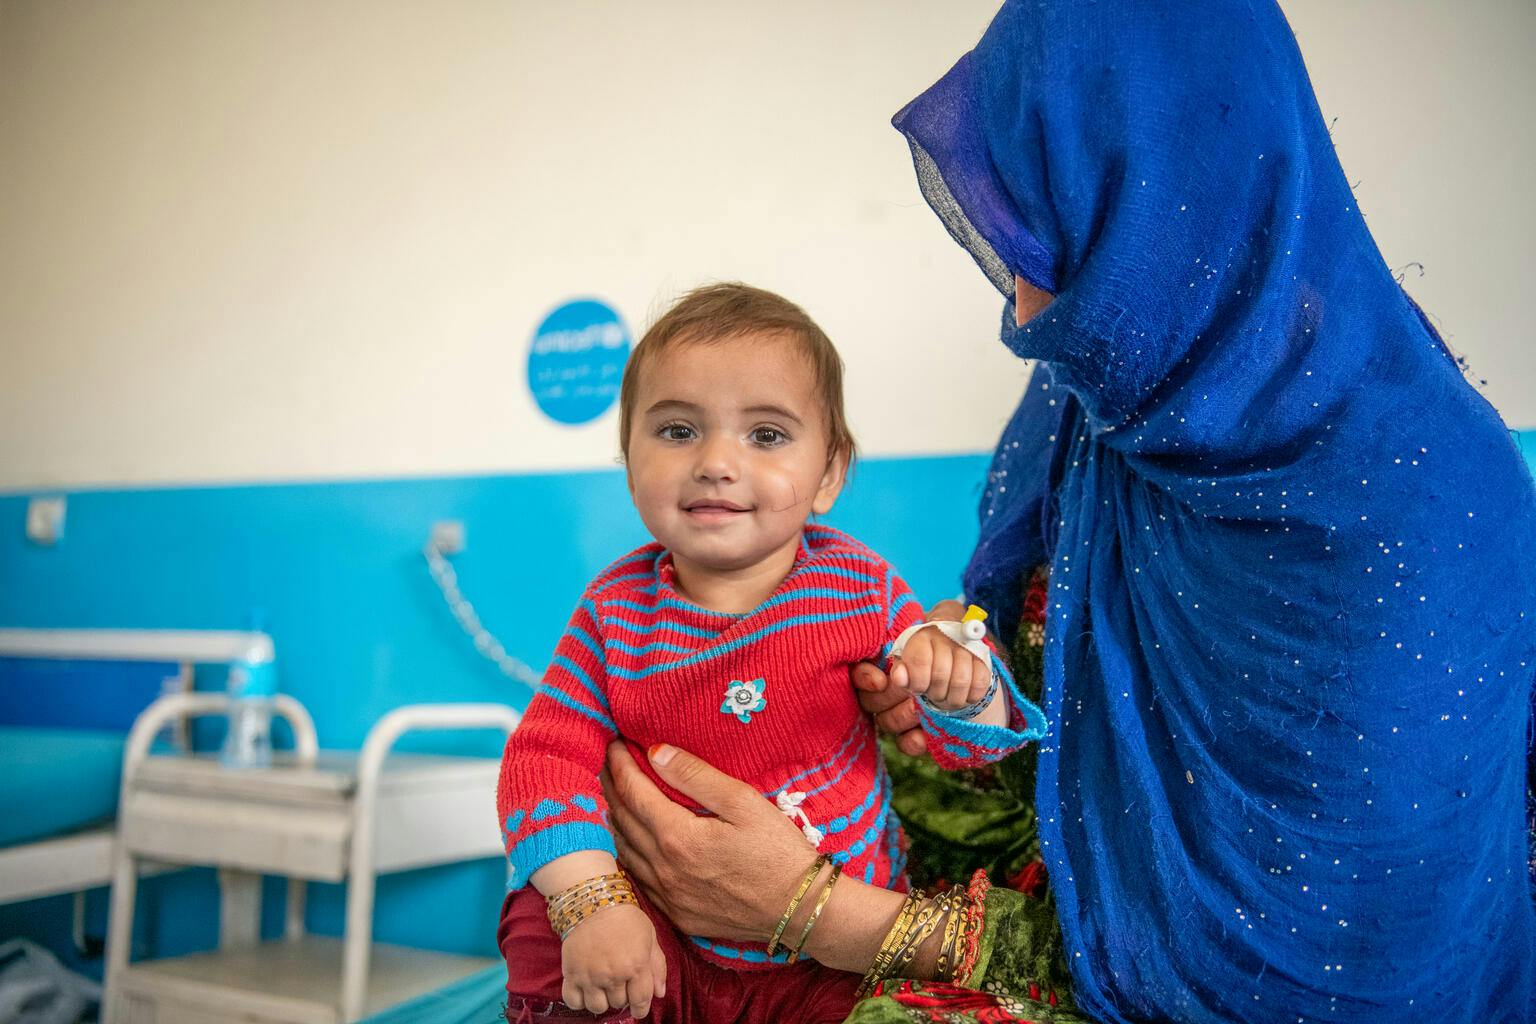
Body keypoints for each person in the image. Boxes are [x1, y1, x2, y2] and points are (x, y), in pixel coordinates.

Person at [599, 2, 1536, 1022]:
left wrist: (812, 907)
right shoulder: (1101, 409)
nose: (1024, 305)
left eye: (1060, 226)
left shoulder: (1413, 510)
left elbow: (1308, 978)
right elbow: (1020, 709)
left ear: (1173, 199)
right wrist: (948, 702)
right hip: (1046, 875)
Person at [497, 282, 1048, 1022]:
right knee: (539, 914)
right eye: (677, 431)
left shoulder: (859, 585)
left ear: (829, 474)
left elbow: (957, 741)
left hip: (825, 963)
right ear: (627, 461)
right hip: (658, 943)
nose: (717, 462)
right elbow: (542, 757)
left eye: (766, 435)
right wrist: (592, 902)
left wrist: (963, 687)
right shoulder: (612, 611)